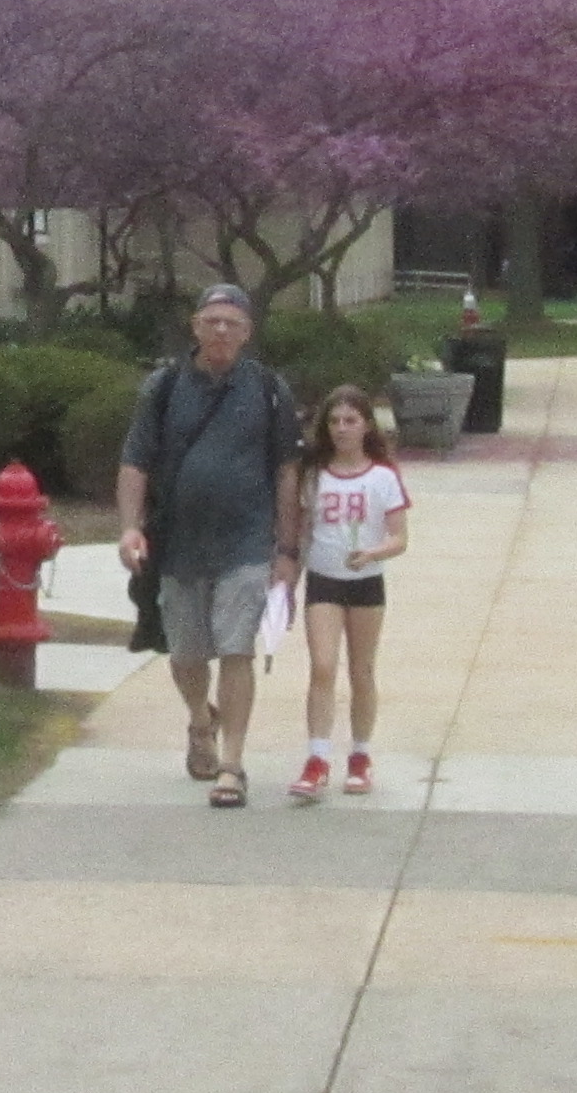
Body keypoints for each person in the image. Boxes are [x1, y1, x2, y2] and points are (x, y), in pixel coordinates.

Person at [117, 283, 305, 808]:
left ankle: (233, 765)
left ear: (247, 333)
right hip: (178, 545)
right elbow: (136, 463)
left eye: (233, 323)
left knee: (236, 649)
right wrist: (130, 528)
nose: (222, 330)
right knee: (186, 654)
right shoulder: (164, 386)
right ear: (196, 326)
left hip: (246, 544)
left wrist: (287, 551)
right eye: (212, 321)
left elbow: (288, 473)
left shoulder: (269, 389)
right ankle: (201, 719)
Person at [287, 384, 411, 803]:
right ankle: (317, 757)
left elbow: (399, 537)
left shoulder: (382, 477)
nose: (341, 429)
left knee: (362, 670)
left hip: (366, 583)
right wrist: (287, 577)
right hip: (323, 580)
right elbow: (301, 529)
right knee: (322, 666)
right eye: (335, 421)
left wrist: (373, 551)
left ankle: (360, 754)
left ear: (366, 426)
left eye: (350, 421)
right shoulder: (314, 475)